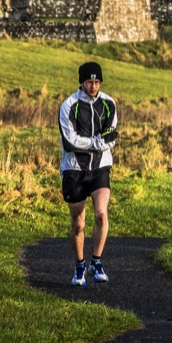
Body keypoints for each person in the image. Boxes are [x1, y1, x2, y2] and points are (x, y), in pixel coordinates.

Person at [59, 61, 118, 286]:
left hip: (100, 167)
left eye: (96, 82)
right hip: (74, 169)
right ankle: (79, 265)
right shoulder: (68, 106)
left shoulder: (109, 103)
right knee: (79, 224)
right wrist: (96, 141)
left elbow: (111, 138)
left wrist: (96, 143)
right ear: (81, 83)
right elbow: (69, 142)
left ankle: (97, 261)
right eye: (88, 82)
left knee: (102, 215)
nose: (92, 86)